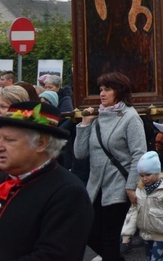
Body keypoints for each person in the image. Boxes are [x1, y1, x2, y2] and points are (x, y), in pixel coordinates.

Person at [0, 101, 94, 260]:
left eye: (9, 140)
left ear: (41, 143)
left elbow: (54, 255)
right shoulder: (5, 178)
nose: (0, 145)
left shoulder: (68, 192)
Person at [74, 72, 147, 261]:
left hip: (118, 187)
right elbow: (80, 154)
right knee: (86, 233)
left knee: (109, 239)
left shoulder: (130, 117)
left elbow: (139, 154)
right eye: (101, 89)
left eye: (107, 89)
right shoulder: (99, 115)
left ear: (120, 91)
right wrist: (84, 124)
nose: (102, 94)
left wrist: (131, 186)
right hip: (95, 187)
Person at [121, 151, 163, 259]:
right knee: (150, 258)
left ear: (156, 171)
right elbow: (134, 211)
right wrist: (127, 233)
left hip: (160, 236)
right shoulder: (141, 189)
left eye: (148, 174)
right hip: (145, 234)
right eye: (141, 175)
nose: (144, 178)